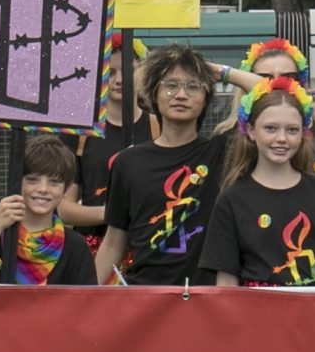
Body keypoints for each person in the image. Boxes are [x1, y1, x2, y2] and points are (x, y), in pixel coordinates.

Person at [200, 77, 315, 287]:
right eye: (271, 128)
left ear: (303, 133)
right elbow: (226, 280)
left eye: (292, 130)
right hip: (258, 315)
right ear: (251, 131)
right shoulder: (232, 199)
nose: (282, 138)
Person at [95, 45, 226, 284]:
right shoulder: (127, 162)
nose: (181, 95)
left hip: (204, 297)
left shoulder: (220, 154)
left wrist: (218, 72)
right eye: (171, 85)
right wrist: (82, 299)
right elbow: (113, 243)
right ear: (154, 93)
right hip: (145, 297)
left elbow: (270, 97)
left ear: (206, 97)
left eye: (193, 86)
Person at [222, 40, 315, 217]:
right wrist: (224, 73)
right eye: (264, 79)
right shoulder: (228, 142)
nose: (277, 86)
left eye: (288, 78)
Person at [0, 137, 98, 286]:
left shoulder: (76, 246)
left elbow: (86, 304)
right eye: (32, 180)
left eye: (54, 182)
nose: (43, 189)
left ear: (67, 188)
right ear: (17, 181)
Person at [62, 33, 143, 252]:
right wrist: (112, 213)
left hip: (145, 248)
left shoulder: (158, 127)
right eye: (110, 71)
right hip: (93, 247)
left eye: (128, 70)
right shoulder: (81, 132)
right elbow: (64, 209)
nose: (119, 80)